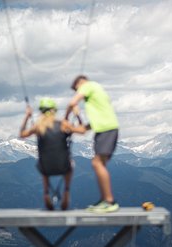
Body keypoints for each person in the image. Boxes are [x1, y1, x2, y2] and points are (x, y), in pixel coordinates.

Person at [20, 98, 86, 210]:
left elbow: (22, 134)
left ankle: (46, 193)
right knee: (71, 163)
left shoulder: (38, 126)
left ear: (41, 112)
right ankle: (66, 191)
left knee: (43, 162)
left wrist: (27, 116)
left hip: (45, 167)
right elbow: (82, 130)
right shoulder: (63, 124)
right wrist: (78, 115)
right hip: (63, 166)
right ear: (54, 111)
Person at [65, 75, 119, 213]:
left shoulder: (88, 85)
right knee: (100, 164)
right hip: (105, 129)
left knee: (97, 163)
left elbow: (71, 103)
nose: (78, 93)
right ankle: (104, 200)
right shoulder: (97, 94)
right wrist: (76, 118)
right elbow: (82, 130)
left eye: (76, 89)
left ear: (80, 83)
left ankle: (109, 201)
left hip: (106, 129)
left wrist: (66, 118)